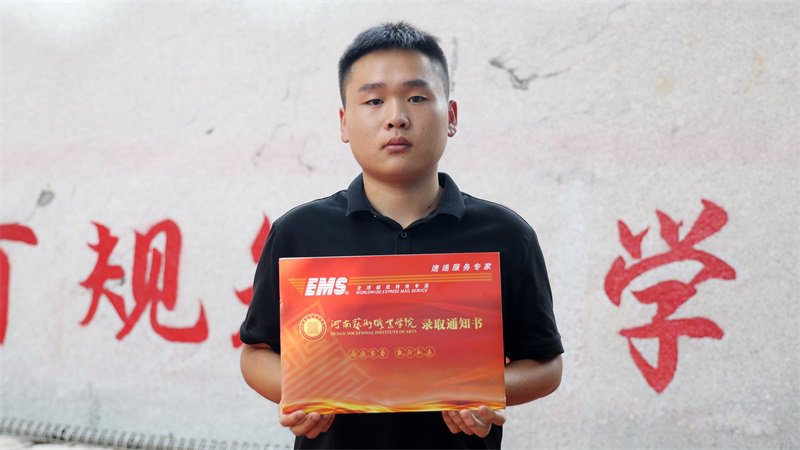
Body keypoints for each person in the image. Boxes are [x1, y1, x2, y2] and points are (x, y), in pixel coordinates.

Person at [239, 22, 563, 449]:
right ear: (344, 123)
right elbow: (256, 352)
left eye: (416, 97)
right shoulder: (299, 232)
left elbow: (545, 365)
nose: (396, 117)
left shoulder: (506, 234)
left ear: (451, 117)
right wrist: (300, 391)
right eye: (374, 100)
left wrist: (484, 391)